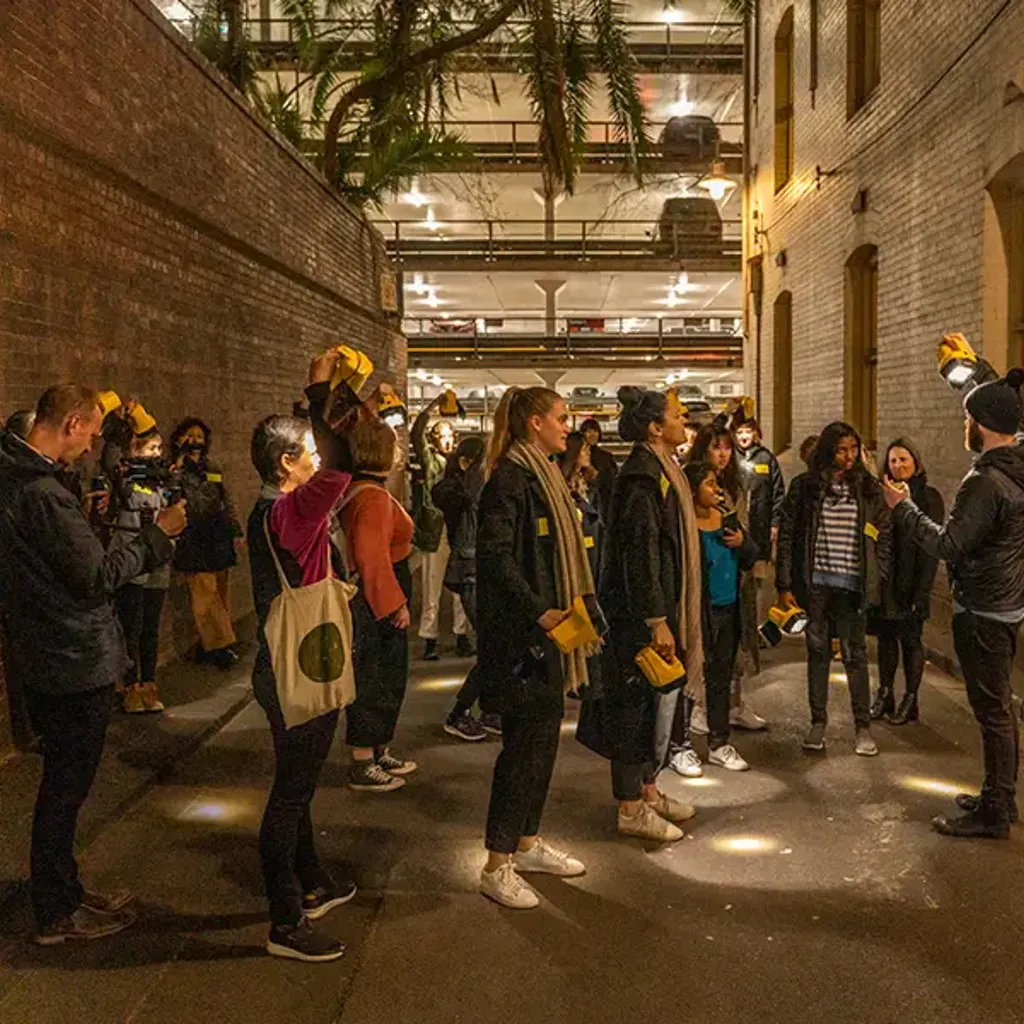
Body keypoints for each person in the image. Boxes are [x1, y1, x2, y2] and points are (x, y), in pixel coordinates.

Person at [0, 385, 185, 944]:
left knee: (65, 785)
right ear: (73, 422)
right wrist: (159, 537)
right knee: (65, 789)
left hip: (48, 650)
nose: (95, 443)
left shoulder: (27, 482)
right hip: (71, 655)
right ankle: (56, 911)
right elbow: (96, 577)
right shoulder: (40, 495)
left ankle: (67, 890)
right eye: (93, 431)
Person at [246, 350, 364, 962]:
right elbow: (344, 462)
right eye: (307, 455)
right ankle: (285, 922)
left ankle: (314, 881)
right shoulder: (289, 512)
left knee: (300, 784)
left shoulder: (270, 511)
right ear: (286, 463)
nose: (317, 462)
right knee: (289, 795)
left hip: (281, 663)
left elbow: (341, 458)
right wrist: (320, 392)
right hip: (294, 667)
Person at [883, 369, 1024, 839]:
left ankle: (995, 811)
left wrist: (901, 506)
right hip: (1006, 602)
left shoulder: (984, 481)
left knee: (993, 712)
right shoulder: (1016, 466)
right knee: (999, 707)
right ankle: (999, 796)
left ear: (981, 424)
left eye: (967, 417)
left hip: (983, 607)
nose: (963, 424)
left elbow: (949, 546)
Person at [477, 387, 596, 909]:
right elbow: (497, 558)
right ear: (533, 423)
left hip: (552, 631)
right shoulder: (510, 480)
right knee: (522, 748)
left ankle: (526, 842)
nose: (567, 428)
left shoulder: (543, 476)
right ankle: (496, 863)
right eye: (561, 418)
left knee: (544, 741)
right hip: (524, 637)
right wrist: (537, 610)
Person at [578, 387, 700, 843]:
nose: (683, 419)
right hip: (636, 619)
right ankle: (631, 807)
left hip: (651, 611)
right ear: (654, 428)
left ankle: (648, 791)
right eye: (676, 415)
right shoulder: (642, 478)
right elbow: (641, 554)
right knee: (632, 707)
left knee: (652, 706)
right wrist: (656, 618)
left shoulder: (662, 471)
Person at [776, 421, 891, 757]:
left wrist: (876, 577)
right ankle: (818, 722)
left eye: (853, 449)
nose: (849, 456)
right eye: (842, 449)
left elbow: (883, 536)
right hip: (817, 585)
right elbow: (787, 536)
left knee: (855, 655)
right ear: (828, 450)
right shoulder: (806, 487)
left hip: (853, 585)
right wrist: (785, 584)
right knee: (817, 652)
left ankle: (862, 727)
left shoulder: (868, 488)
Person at [340, 418, 418, 792]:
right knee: (376, 677)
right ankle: (363, 760)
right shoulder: (372, 497)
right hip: (377, 601)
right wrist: (394, 605)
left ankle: (377, 748)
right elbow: (372, 557)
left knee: (383, 676)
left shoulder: (360, 490)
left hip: (373, 596)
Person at [686, 422, 767, 737]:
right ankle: (699, 709)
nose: (722, 454)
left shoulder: (736, 483)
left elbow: (747, 527)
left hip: (735, 575)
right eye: (715, 447)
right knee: (703, 650)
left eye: (726, 447)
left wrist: (744, 543)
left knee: (733, 650)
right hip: (703, 580)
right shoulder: (691, 482)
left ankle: (732, 705)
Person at [868, 439, 945, 725]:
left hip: (912, 581)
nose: (898, 466)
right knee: (886, 639)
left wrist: (922, 591)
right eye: (893, 461)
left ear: (916, 462)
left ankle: (910, 699)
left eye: (904, 460)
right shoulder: (880, 496)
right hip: (886, 580)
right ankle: (885, 693)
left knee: (911, 641)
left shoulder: (928, 497)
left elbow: (931, 549)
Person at [434, 435, 500, 741]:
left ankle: (489, 709)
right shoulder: (455, 491)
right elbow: (473, 494)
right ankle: (459, 712)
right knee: (491, 647)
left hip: (476, 570)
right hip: (469, 571)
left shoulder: (464, 490)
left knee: (493, 645)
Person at [109, 425, 173, 714]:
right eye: (150, 448)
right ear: (135, 450)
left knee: (150, 626)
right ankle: (130, 687)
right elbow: (110, 461)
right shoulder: (126, 482)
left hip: (158, 559)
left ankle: (149, 684)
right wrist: (121, 429)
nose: (156, 454)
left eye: (159, 448)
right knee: (131, 625)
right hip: (133, 556)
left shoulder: (161, 483)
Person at [169, 418, 242, 669]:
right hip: (194, 535)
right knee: (203, 593)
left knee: (219, 592)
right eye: (190, 435)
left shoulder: (212, 467)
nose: (196, 441)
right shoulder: (175, 470)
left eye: (199, 436)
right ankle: (220, 646)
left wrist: (234, 526)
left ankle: (212, 641)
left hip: (217, 534)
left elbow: (225, 497)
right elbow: (172, 492)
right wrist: (178, 463)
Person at [411, 396, 471, 660]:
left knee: (461, 587)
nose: (446, 440)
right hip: (435, 529)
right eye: (441, 435)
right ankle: (430, 638)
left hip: (456, 528)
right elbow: (416, 436)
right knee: (431, 586)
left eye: (449, 435)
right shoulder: (431, 461)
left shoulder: (460, 464)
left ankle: (462, 635)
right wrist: (431, 407)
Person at [559, 431, 602, 576]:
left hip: (593, 551)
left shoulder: (588, 484)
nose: (588, 453)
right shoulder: (562, 485)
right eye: (584, 449)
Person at [580, 417, 618, 527]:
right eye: (588, 431)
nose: (592, 434)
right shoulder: (577, 457)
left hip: (603, 505)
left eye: (595, 431)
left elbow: (612, 484)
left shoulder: (607, 458)